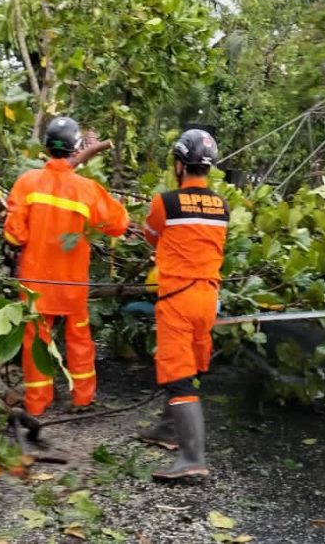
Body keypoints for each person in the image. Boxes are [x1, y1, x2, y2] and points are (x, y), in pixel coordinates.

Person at [3, 116, 129, 416]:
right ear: (75, 150)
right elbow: (119, 224)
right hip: (73, 286)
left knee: (37, 343)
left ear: (46, 147)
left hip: (35, 285)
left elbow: (13, 234)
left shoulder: (27, 183)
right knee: (79, 340)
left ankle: (37, 403)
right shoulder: (87, 189)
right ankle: (83, 399)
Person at [139, 129, 229, 480]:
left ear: (179, 164)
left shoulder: (166, 203)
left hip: (177, 298)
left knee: (177, 374)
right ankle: (166, 429)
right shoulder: (222, 206)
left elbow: (150, 235)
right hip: (208, 298)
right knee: (190, 366)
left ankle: (193, 458)